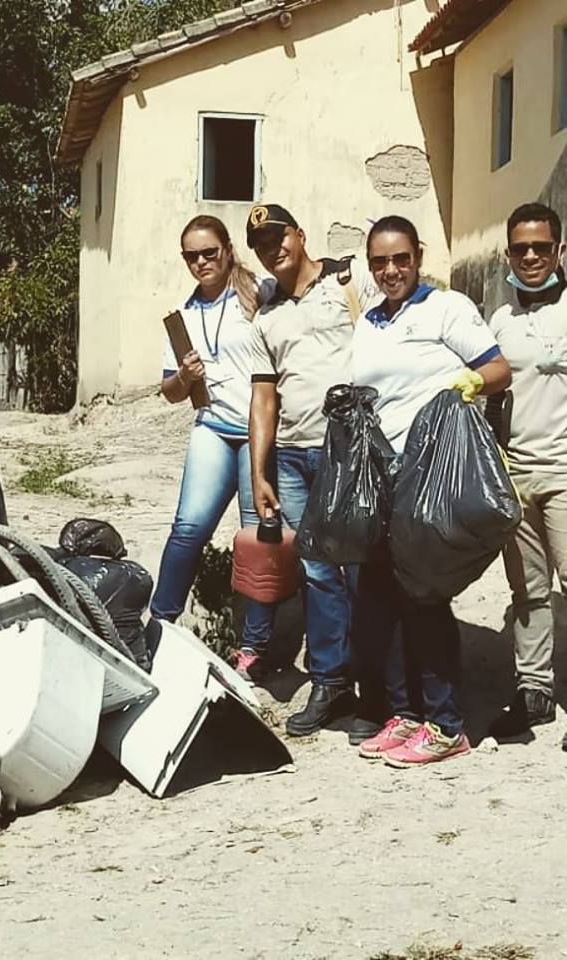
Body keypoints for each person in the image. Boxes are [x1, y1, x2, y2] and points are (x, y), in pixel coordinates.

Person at [350, 215, 511, 767]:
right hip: (380, 473)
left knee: (424, 596)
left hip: (428, 473)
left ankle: (447, 723)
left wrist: (468, 382)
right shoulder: (369, 320)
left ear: (418, 256)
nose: (390, 270)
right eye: (379, 261)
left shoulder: (446, 308)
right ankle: (405, 715)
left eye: (400, 258)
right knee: (384, 599)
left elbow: (497, 368)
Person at [248, 203, 378, 736]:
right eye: (260, 244)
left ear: (300, 236)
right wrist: (260, 473)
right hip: (295, 457)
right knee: (319, 573)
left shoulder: (349, 281)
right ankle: (331, 683)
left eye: (279, 237)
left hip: (346, 449)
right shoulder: (266, 316)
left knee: (363, 570)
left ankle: (376, 689)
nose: (273, 248)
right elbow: (262, 399)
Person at [150, 215, 273, 679]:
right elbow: (169, 390)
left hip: (259, 430)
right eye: (191, 256)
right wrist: (185, 377)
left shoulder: (259, 296)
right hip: (214, 427)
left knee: (254, 537)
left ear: (227, 249)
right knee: (188, 529)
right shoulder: (181, 315)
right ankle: (161, 624)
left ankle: (253, 647)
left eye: (209, 252)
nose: (201, 262)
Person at [486, 203, 567, 743]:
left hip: (565, 471)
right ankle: (533, 689)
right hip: (516, 473)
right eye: (521, 248)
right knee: (528, 589)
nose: (531, 256)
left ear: (559, 250)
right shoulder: (499, 319)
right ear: (508, 254)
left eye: (541, 246)